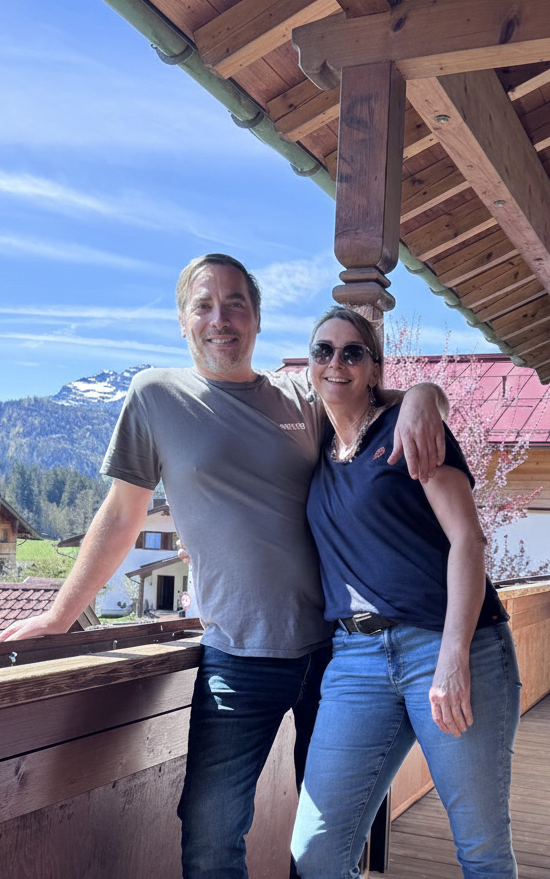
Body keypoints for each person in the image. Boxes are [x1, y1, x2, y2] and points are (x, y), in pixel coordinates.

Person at [0, 256, 448, 879]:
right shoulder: (155, 396)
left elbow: (372, 402)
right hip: (236, 659)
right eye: (204, 305)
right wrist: (58, 615)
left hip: (337, 653)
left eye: (236, 303)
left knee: (333, 836)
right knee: (211, 835)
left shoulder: (300, 396)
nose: (221, 318)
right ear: (183, 320)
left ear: (258, 319)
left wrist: (427, 393)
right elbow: (122, 515)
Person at [291, 306, 522, 879]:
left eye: (353, 352)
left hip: (448, 649)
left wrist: (452, 658)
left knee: (481, 850)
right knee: (317, 853)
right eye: (324, 351)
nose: (336, 362)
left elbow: (468, 540)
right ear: (309, 365)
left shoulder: (408, 430)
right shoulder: (316, 451)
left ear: (375, 369)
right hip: (355, 662)